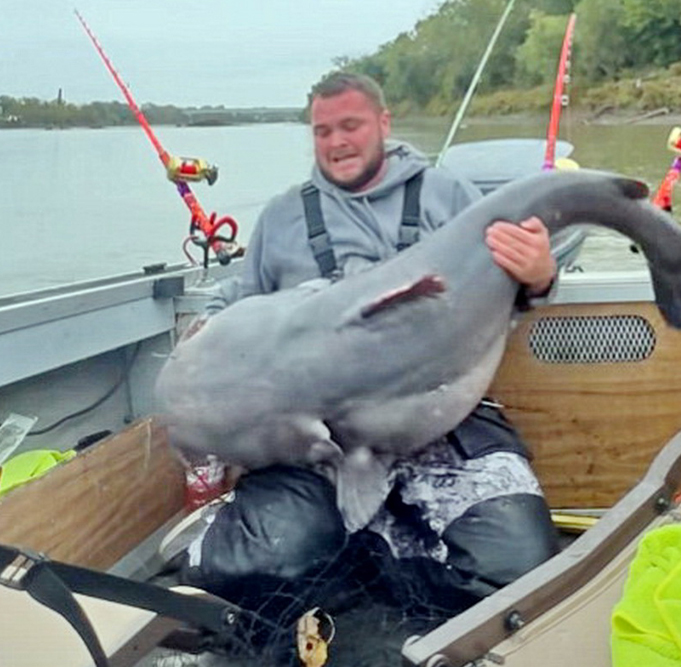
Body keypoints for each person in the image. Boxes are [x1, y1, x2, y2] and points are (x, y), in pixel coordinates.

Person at [174, 72, 561, 616]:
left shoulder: (451, 197)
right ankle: (362, 548)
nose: (336, 143)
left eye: (350, 125)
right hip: (314, 441)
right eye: (322, 131)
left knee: (517, 570)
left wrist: (539, 277)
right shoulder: (283, 217)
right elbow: (239, 305)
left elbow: (504, 301)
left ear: (384, 122)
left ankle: (370, 553)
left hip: (443, 419)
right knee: (247, 572)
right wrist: (201, 337)